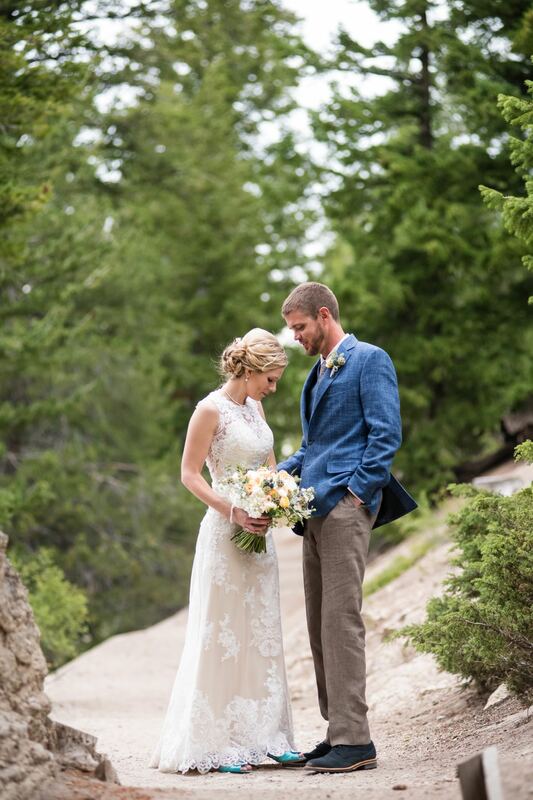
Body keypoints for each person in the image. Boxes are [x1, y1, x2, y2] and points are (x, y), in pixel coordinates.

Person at [150, 328, 303, 775]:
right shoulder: (208, 409)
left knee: (260, 632)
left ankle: (266, 737)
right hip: (224, 532)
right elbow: (189, 474)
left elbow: (269, 465)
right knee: (222, 635)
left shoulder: (255, 408)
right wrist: (233, 509)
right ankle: (216, 744)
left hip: (260, 537)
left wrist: (278, 500)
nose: (273, 389)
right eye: (270, 380)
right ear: (250, 370)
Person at [278, 282, 416, 774]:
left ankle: (357, 741)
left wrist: (358, 494)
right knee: (319, 624)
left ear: (323, 315)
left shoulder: (369, 359)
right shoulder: (315, 373)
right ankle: (338, 731)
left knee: (342, 622)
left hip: (345, 511)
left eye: (299, 328)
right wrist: (275, 477)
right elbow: (315, 447)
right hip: (310, 514)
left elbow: (385, 433)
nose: (295, 337)